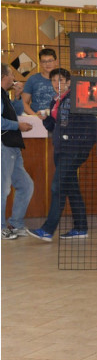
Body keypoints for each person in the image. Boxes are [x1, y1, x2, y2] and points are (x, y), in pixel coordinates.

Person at [30, 69, 96, 241]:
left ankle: (48, 229)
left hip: (73, 150)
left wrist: (84, 148)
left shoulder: (78, 98)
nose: (56, 84)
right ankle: (81, 227)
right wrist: (45, 119)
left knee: (57, 186)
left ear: (68, 82)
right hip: (61, 148)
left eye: (60, 80)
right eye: (53, 81)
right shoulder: (55, 101)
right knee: (71, 187)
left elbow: (92, 125)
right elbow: (53, 127)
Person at [1, 63, 35, 240]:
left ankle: (15, 223)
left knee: (26, 185)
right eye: (11, 75)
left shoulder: (4, 95)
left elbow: (15, 112)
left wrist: (19, 96)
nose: (14, 79)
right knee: (3, 189)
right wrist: (18, 126)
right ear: (3, 76)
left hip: (12, 146)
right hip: (4, 146)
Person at [22, 48, 58, 118]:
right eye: (44, 61)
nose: (47, 64)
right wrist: (35, 116)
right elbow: (23, 103)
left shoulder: (63, 80)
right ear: (40, 63)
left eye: (50, 61)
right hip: (37, 119)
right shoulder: (33, 79)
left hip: (57, 120)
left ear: (56, 62)